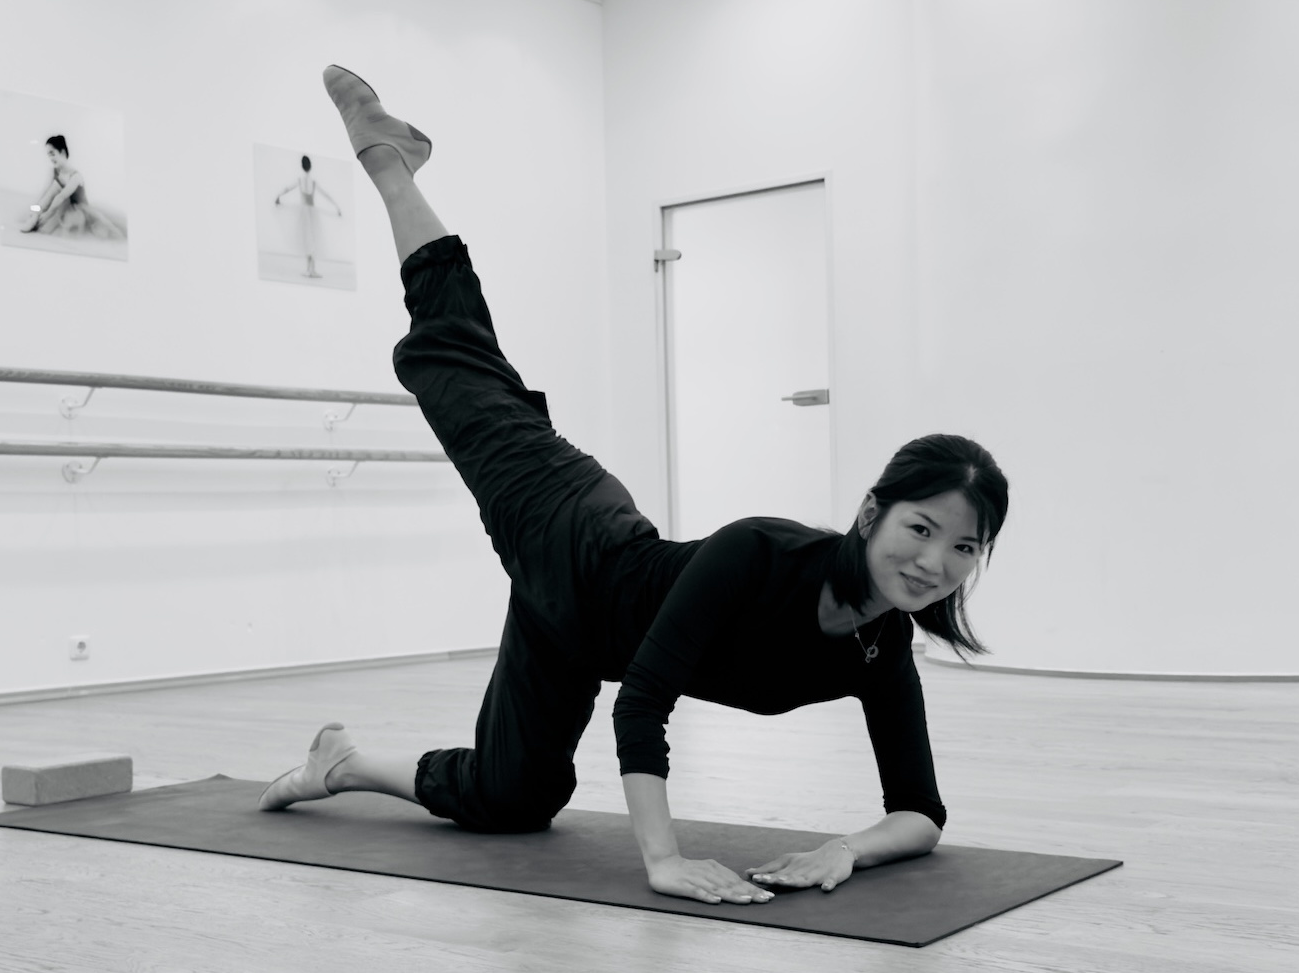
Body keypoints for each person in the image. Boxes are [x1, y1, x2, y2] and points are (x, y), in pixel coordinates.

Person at [258, 66, 1011, 907]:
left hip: (572, 630)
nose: (934, 561)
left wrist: (848, 848)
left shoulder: (881, 645)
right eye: (921, 528)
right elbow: (642, 706)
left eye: (963, 546)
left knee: (513, 799)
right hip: (570, 531)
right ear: (872, 512)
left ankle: (341, 762)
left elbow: (921, 811)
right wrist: (662, 857)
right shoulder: (760, 552)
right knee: (459, 367)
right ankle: (389, 162)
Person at [19, 134, 126, 241]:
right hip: (61, 206)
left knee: (106, 230)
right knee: (44, 199)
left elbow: (61, 197)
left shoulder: (75, 176)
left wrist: (47, 215)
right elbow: (46, 193)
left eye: (52, 154)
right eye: (48, 155)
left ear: (62, 152)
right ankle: (34, 216)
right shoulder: (55, 171)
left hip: (80, 210)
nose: (50, 158)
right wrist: (35, 208)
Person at [273, 154, 343, 278]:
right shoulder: (313, 182)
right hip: (312, 213)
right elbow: (325, 194)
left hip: (304, 213)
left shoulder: (300, 180)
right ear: (310, 167)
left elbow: (288, 188)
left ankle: (309, 269)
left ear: (302, 166)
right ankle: (311, 269)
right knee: (312, 240)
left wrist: (278, 196)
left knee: (307, 240)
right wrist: (336, 206)